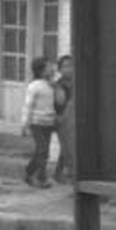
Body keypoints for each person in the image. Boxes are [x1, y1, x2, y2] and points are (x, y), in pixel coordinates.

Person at [21, 56, 57, 187]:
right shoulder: (34, 86)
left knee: (43, 151)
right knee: (42, 151)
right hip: (36, 123)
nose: (52, 68)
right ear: (41, 70)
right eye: (49, 67)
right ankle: (41, 178)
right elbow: (28, 105)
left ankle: (29, 172)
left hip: (48, 123)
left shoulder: (51, 85)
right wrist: (24, 124)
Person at [51, 54, 75, 183]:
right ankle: (67, 173)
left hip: (74, 121)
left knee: (68, 147)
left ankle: (59, 173)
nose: (69, 69)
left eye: (71, 65)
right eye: (65, 66)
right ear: (59, 69)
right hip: (62, 120)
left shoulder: (77, 83)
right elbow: (58, 103)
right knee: (66, 147)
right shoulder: (58, 85)